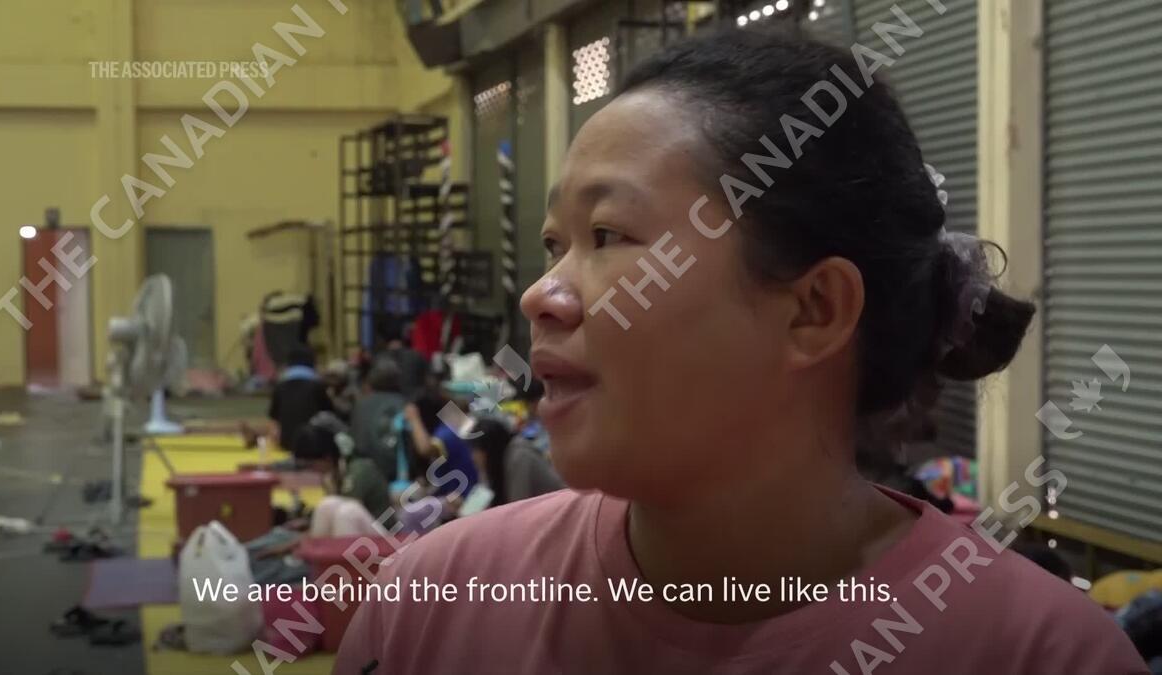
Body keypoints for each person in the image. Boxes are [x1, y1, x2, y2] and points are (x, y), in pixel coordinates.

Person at [333, 29, 1146, 674]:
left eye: (608, 235)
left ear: (814, 311)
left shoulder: (1039, 654)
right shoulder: (431, 608)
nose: (541, 294)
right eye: (555, 244)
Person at [468, 416, 564, 506]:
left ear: (488, 448)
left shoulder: (519, 457)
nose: (473, 457)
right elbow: (476, 505)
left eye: (476, 450)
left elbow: (518, 506)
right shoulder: (494, 466)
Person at [266, 344, 333, 455]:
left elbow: (273, 420)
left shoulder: (280, 387)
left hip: (286, 444)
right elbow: (329, 414)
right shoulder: (317, 386)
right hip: (314, 445)